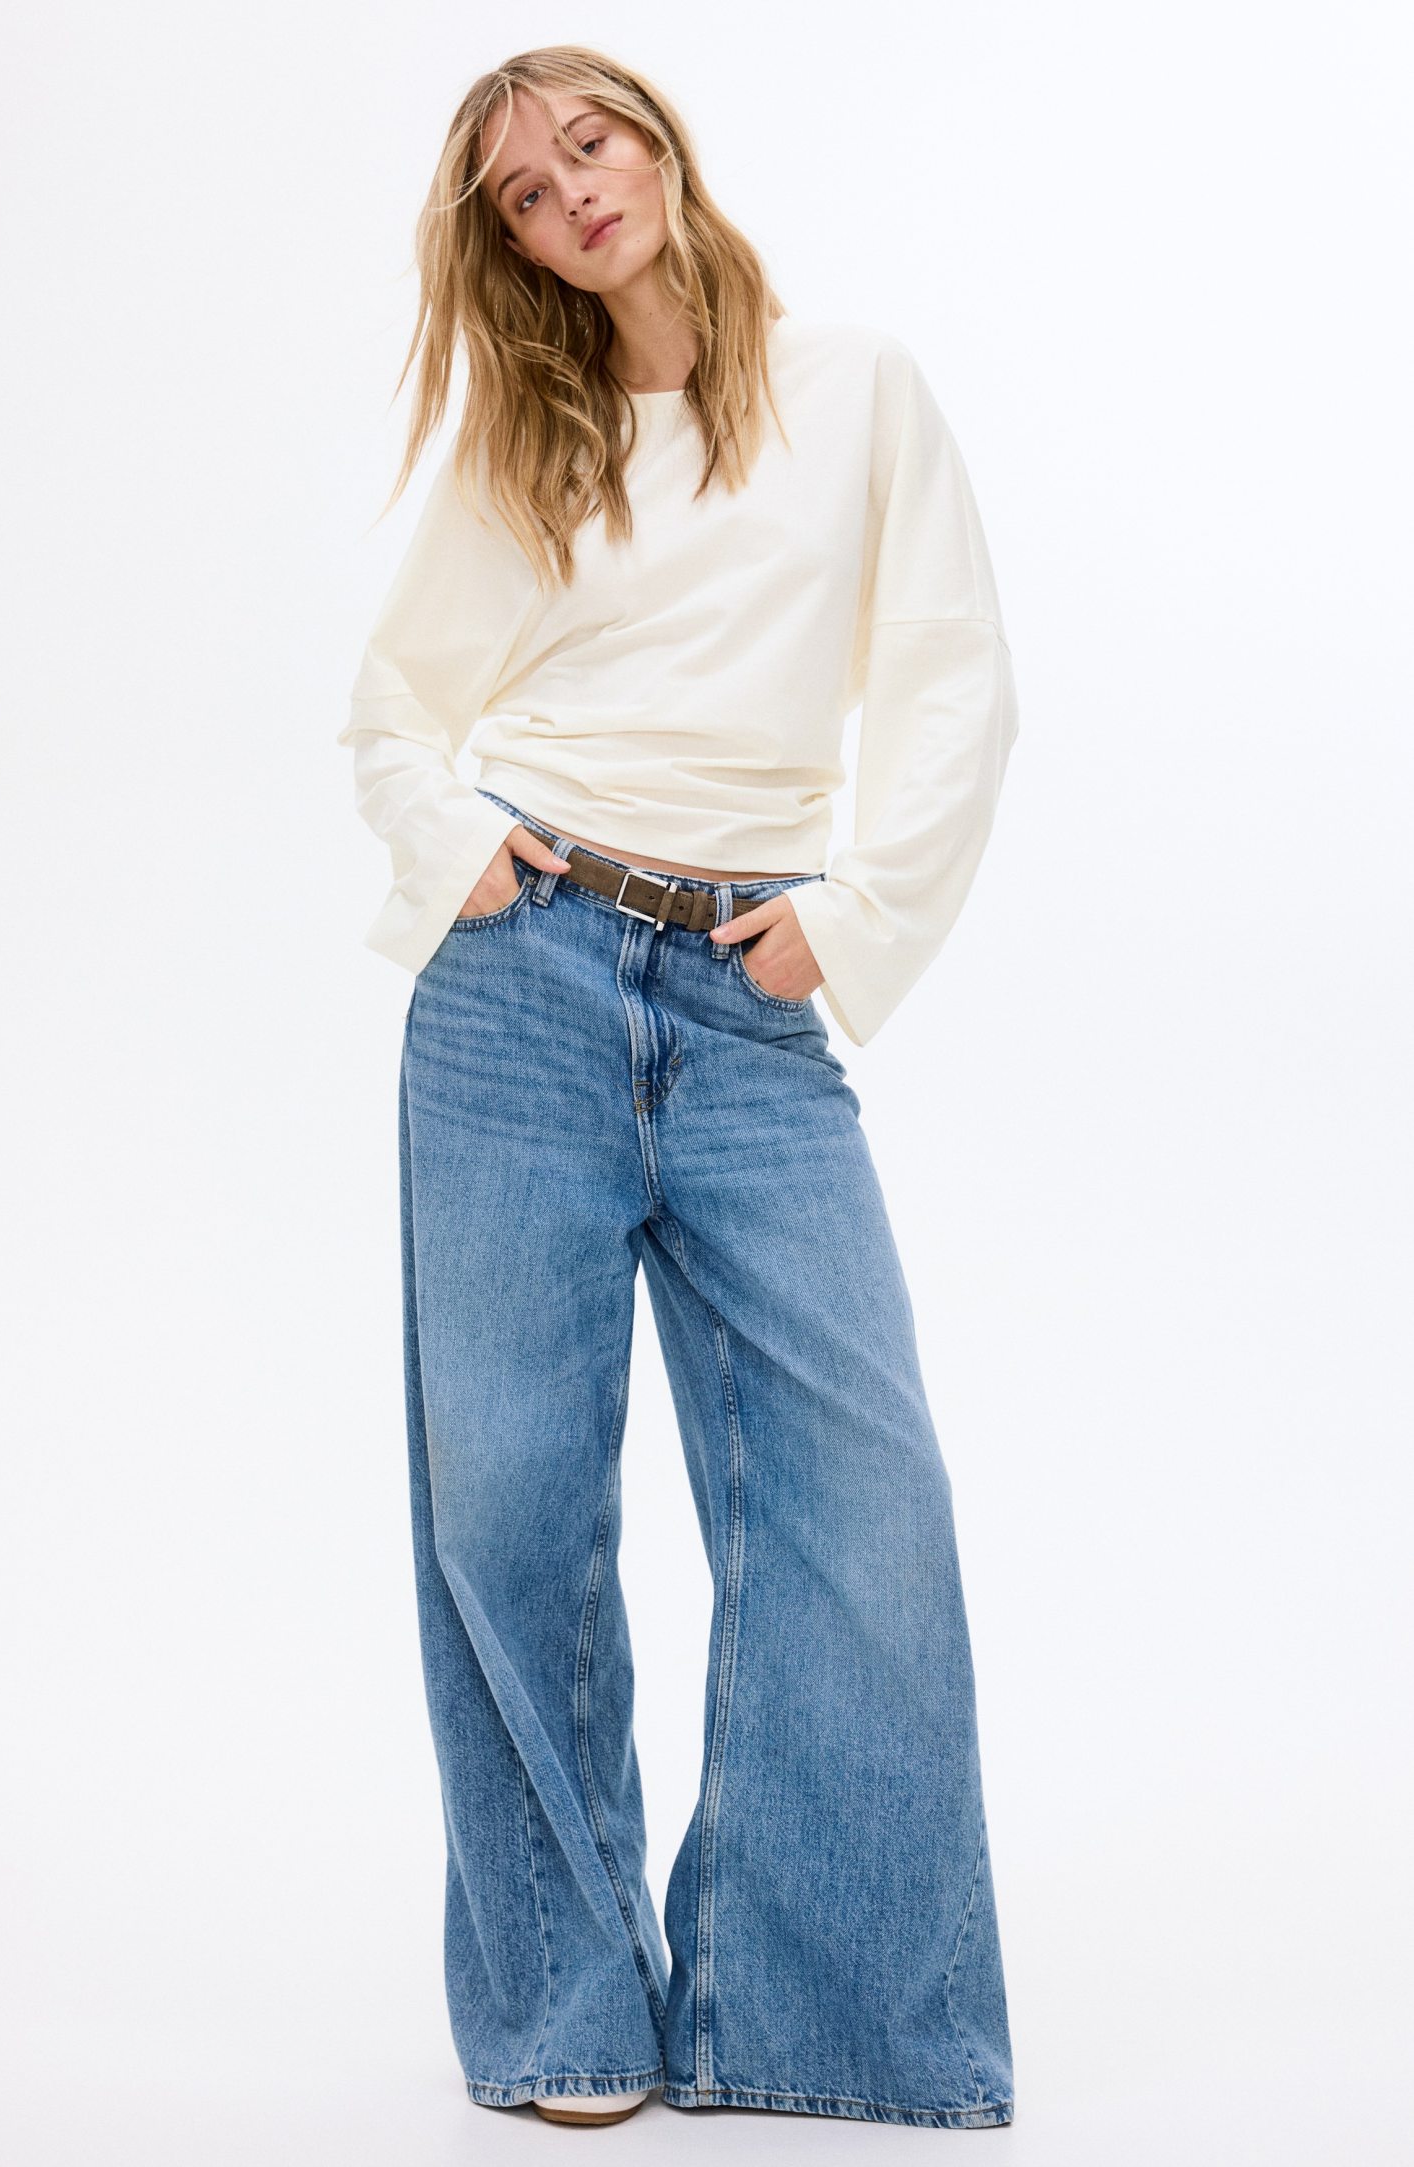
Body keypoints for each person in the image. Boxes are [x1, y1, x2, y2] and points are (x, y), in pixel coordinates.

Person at [336, 44, 1020, 2134]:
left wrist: (858, 919)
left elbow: (954, 681)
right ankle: (564, 2015)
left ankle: (812, 2022)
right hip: (514, 989)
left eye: (589, 143)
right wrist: (461, 851)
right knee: (511, 1512)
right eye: (523, 195)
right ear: (510, 247)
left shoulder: (856, 389)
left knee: (862, 1511)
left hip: (743, 1001)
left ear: (657, 141)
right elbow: (392, 712)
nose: (570, 194)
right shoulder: (522, 443)